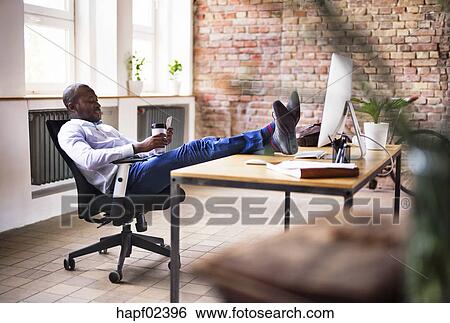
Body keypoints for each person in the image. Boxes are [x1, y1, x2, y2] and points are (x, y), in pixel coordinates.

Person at [58, 84, 300, 195]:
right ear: (72, 106)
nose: (97, 103)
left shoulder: (105, 128)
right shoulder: (70, 130)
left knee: (205, 145)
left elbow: (139, 153)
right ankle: (271, 133)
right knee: (199, 146)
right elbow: (88, 160)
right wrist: (138, 146)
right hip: (123, 183)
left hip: (138, 169)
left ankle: (274, 141)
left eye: (96, 98)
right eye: (90, 100)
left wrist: (155, 146)